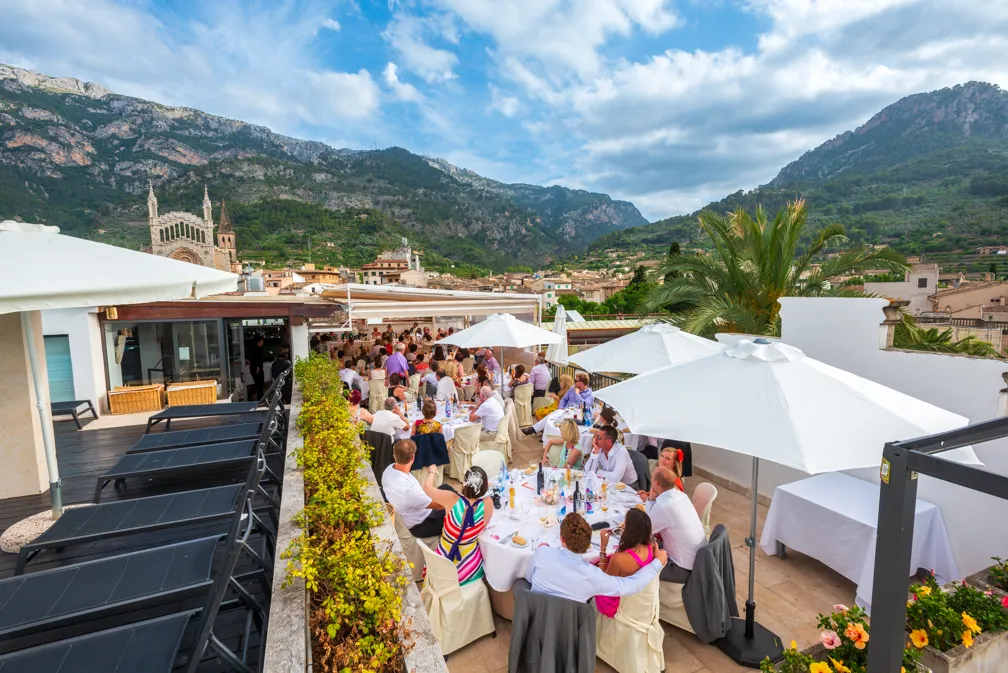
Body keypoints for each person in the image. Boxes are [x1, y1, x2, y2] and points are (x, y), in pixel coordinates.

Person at [526, 512, 666, 603]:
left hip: (537, 616)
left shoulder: (542, 553)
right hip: (569, 625)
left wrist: (543, 550)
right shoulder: (594, 576)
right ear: (588, 545)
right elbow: (632, 585)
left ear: (562, 540)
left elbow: (529, 578)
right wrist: (658, 563)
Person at [423, 465, 493, 584]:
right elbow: (483, 527)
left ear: (464, 484)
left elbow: (427, 487)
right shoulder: (488, 504)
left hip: (443, 562)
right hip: (469, 564)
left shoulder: (451, 499)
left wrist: (432, 472)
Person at [645, 467, 708, 583]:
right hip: (699, 561)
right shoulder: (681, 496)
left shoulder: (664, 506)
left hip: (681, 568)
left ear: (656, 484)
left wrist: (650, 500)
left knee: (636, 563)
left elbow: (643, 530)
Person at [382, 439, 456, 538]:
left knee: (446, 488)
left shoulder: (389, 470)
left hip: (410, 510)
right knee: (457, 506)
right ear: (413, 457)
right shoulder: (409, 489)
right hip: (421, 524)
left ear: (394, 456)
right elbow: (438, 506)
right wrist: (455, 502)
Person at [596, 508, 656, 618]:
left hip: (614, 604)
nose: (623, 525)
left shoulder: (619, 559)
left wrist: (603, 548)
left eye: (625, 523)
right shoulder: (651, 548)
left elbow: (604, 583)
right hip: (636, 599)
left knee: (591, 571)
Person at [247, 335, 265, 400]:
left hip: (253, 368)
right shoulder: (258, 350)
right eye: (262, 341)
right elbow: (258, 359)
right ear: (259, 342)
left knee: (258, 384)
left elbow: (248, 358)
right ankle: (258, 398)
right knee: (260, 384)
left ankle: (251, 394)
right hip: (258, 369)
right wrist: (257, 367)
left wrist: (250, 364)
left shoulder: (251, 348)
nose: (263, 342)